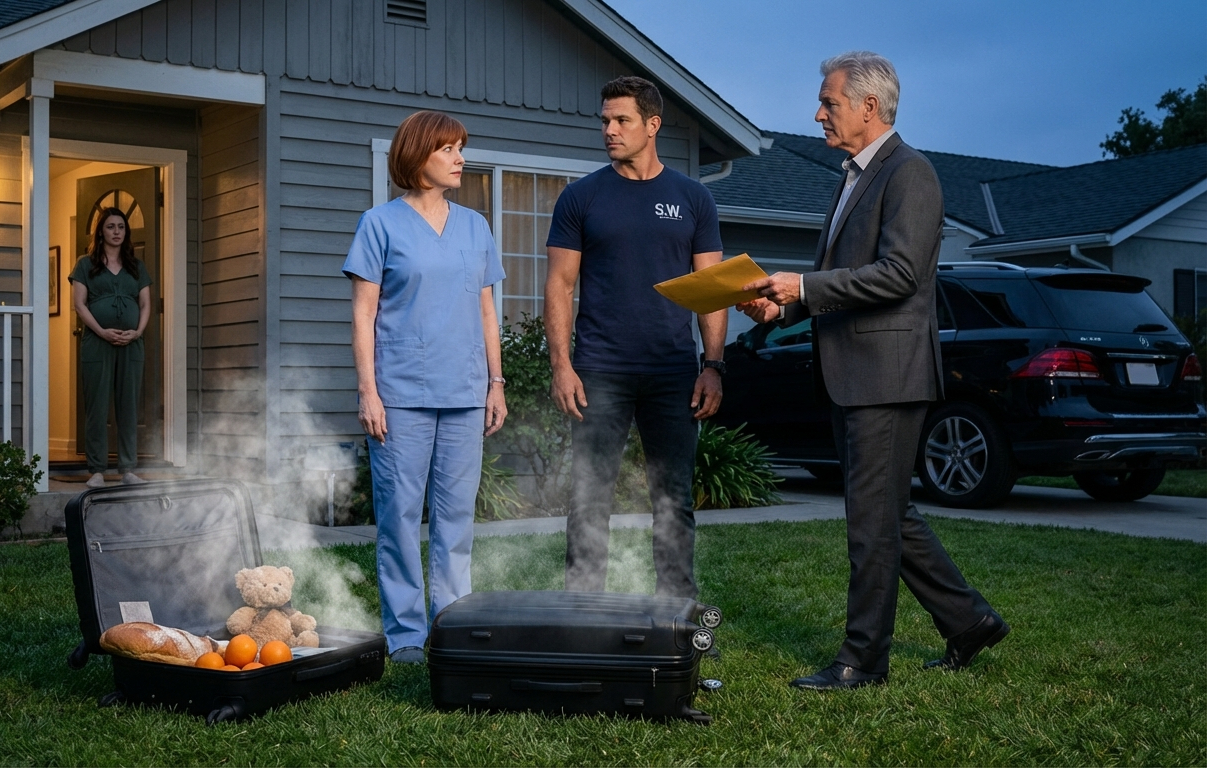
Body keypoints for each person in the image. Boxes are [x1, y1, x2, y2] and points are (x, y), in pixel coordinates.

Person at [739, 52, 1009, 691]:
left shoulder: (910, 173)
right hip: (853, 373)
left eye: (828, 101)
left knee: (870, 522)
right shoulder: (854, 176)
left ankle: (862, 660)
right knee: (887, 514)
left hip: (886, 377)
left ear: (869, 106)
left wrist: (801, 285)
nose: (818, 112)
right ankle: (968, 620)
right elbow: (841, 282)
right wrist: (779, 305)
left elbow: (900, 275)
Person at [545, 76, 726, 598]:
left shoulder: (692, 198)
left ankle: (678, 617)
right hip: (599, 370)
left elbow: (711, 290)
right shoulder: (581, 196)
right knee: (589, 498)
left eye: (621, 120)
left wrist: (713, 365)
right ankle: (583, 613)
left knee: (673, 499)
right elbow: (559, 285)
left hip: (673, 372)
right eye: (604, 120)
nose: (609, 130)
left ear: (653, 125)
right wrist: (562, 365)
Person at [343, 111, 507, 665]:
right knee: (398, 519)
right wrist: (368, 391)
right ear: (418, 157)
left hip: (464, 393)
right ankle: (407, 635)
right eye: (449, 149)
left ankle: (452, 627)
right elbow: (363, 316)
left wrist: (496, 382)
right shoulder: (379, 224)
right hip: (401, 396)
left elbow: (487, 312)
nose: (461, 158)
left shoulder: (476, 226)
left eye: (462, 148)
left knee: (456, 521)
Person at [70, 207, 152, 488]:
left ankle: (128, 468)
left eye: (121, 227)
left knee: (128, 406)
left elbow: (145, 304)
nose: (117, 232)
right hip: (97, 343)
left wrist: (138, 332)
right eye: (110, 227)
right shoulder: (85, 264)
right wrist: (103, 331)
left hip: (132, 344)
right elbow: (79, 304)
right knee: (97, 406)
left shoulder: (136, 266)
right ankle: (97, 470)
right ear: (101, 232)